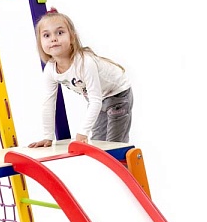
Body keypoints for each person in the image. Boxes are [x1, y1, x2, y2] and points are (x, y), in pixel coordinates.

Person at [28, 9, 133, 148]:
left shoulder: (85, 62)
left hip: (118, 94)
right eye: (46, 35)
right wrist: (47, 136)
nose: (53, 38)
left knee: (114, 145)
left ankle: (122, 161)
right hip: (98, 98)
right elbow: (48, 102)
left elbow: (95, 100)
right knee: (99, 144)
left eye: (60, 33)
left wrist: (82, 132)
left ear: (72, 37)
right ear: (40, 42)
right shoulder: (50, 69)